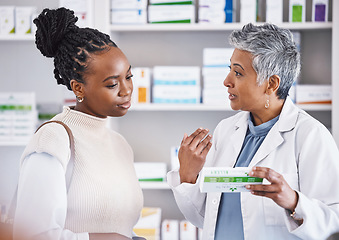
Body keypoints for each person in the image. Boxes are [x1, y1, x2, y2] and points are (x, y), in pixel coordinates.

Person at [167, 23, 339, 240]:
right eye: (229, 69)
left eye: (238, 73)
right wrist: (188, 175)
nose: (226, 81)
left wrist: (294, 201)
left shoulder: (310, 135)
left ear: (271, 84)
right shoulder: (226, 130)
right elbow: (203, 219)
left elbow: (334, 224)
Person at [13, 7, 143, 240]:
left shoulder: (120, 145)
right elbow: (31, 234)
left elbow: (120, 225)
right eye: (112, 84)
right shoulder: (53, 139)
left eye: (129, 77)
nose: (127, 90)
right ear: (78, 88)